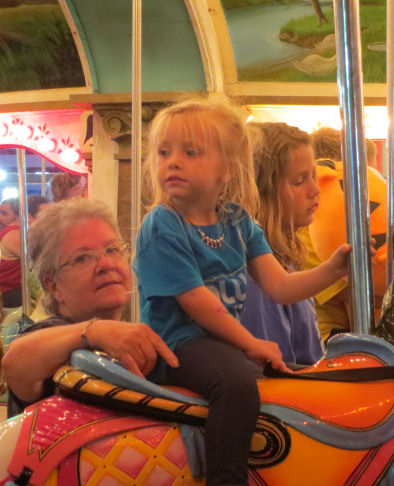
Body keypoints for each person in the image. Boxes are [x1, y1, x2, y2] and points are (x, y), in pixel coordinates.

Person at [134, 96, 353, 486]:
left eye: (190, 152)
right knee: (235, 386)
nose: (173, 162)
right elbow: (198, 302)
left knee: (294, 384)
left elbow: (281, 286)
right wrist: (251, 342)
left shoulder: (237, 222)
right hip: (176, 345)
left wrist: (333, 269)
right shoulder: (163, 224)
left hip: (220, 346)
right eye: (164, 153)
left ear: (226, 168)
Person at [1, 198, 178, 418]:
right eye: (82, 258)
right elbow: (14, 362)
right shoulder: (54, 335)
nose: (106, 264)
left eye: (113, 250)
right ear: (53, 285)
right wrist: (94, 331)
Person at [240, 122, 324, 365]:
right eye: (299, 181)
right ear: (262, 191)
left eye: (313, 176)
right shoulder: (257, 275)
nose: (315, 190)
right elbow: (276, 365)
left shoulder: (285, 256)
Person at [0, 198, 21, 308]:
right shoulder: (13, 233)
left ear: (17, 216)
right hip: (10, 292)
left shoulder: (13, 231)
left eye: (4, 213)